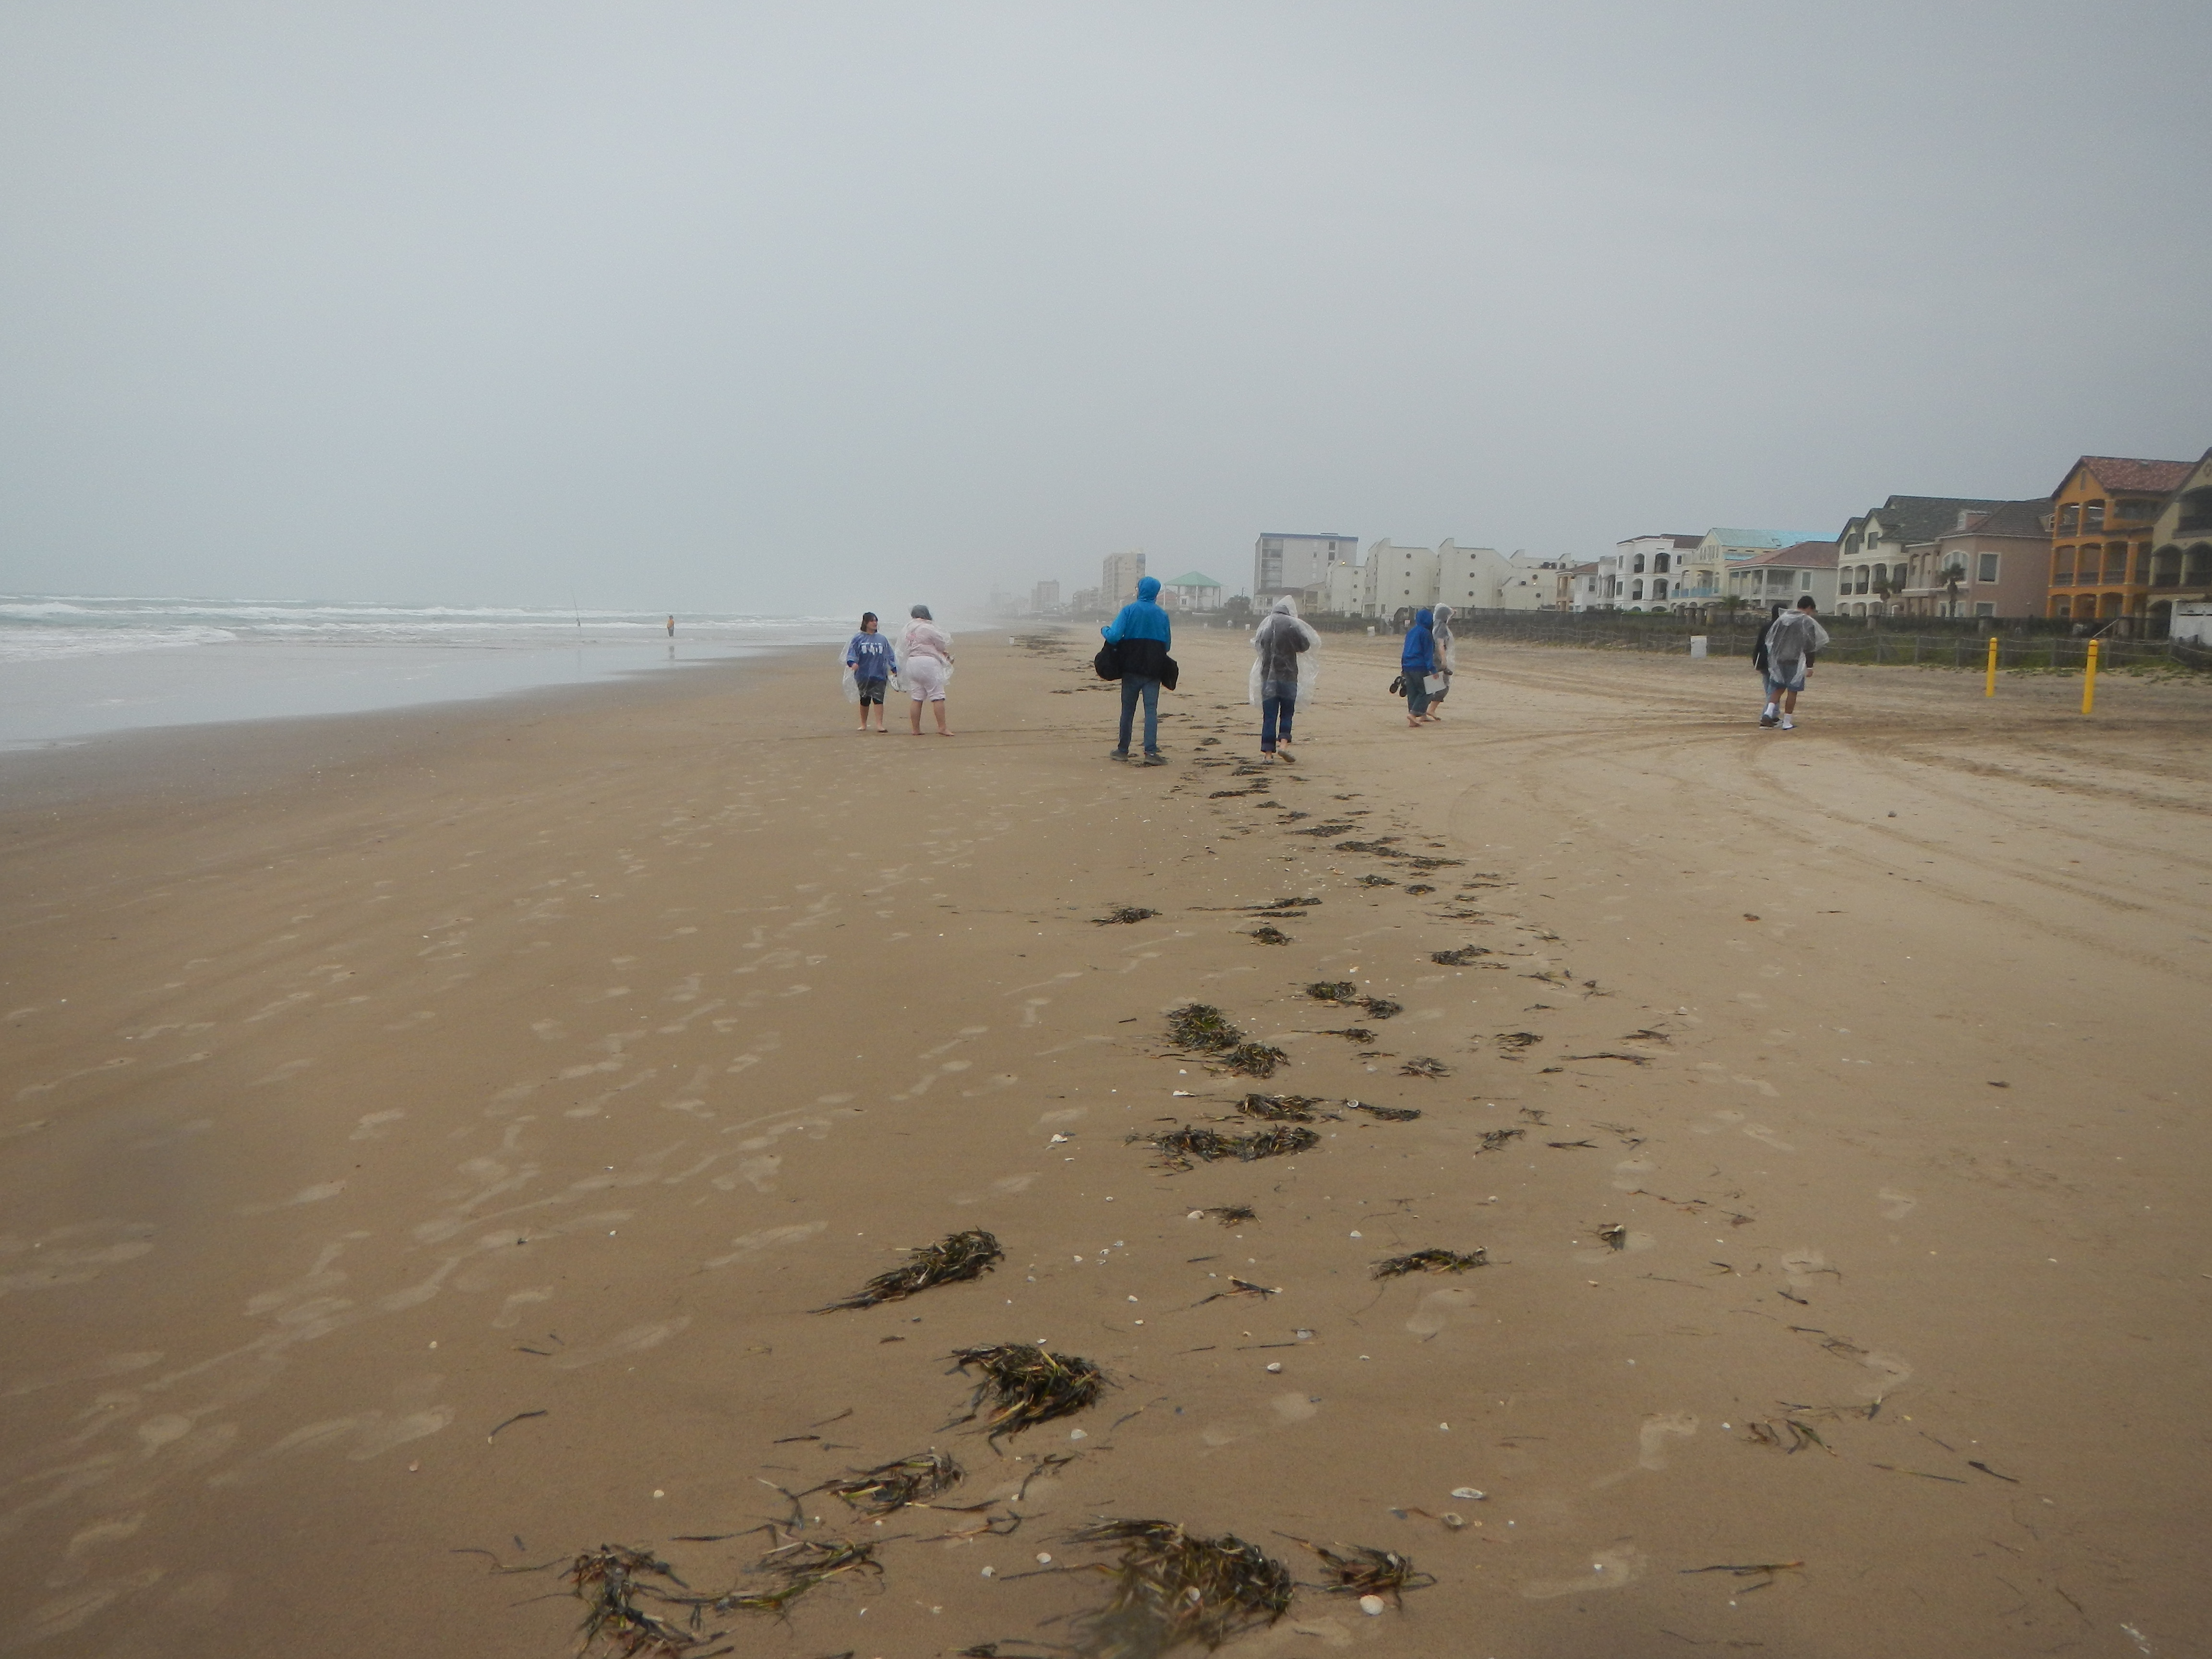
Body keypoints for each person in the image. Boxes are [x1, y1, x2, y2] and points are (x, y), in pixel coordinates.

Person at [1101, 576, 1173, 763]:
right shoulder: (1162, 615)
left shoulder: (1129, 610)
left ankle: (1123, 750)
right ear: (1156, 593)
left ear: (1140, 590)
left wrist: (1104, 630)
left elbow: (1115, 636)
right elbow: (1167, 646)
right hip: (1154, 670)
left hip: (1131, 669)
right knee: (1151, 711)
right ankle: (1150, 753)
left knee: (1128, 710)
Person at [1248, 596, 1317, 762]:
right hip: (1289, 677)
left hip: (1267, 679)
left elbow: (1259, 645)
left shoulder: (1266, 625)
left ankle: (1268, 755)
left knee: (1269, 716)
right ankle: (1284, 745)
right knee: (1287, 713)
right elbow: (1305, 646)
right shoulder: (1292, 625)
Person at [1754, 594, 1830, 730]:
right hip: (1795, 659)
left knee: (1778, 688)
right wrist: (1810, 666)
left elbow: (1772, 638)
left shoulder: (1784, 618)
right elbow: (1810, 646)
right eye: (1811, 610)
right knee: (1793, 691)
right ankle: (1787, 721)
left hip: (1779, 659)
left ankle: (1768, 713)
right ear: (1808, 608)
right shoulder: (1806, 622)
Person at [899, 604, 955, 735]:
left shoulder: (907, 629)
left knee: (917, 697)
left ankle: (916, 729)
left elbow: (903, 648)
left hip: (912, 663)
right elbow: (941, 644)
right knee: (937, 695)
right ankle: (942, 727)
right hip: (928, 662)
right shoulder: (928, 628)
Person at [845, 611, 896, 733]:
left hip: (880, 674)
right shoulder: (858, 638)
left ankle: (879, 725)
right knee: (865, 699)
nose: (875, 623)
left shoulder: (882, 639)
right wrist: (853, 663)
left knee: (879, 699)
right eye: (872, 621)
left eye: (876, 621)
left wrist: (894, 668)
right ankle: (864, 724)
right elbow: (852, 653)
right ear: (866, 623)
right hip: (863, 674)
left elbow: (890, 655)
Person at [1399, 607, 1439, 727]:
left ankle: (1415, 718)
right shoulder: (1426, 634)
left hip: (1407, 666)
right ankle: (1414, 714)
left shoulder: (1411, 631)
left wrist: (1403, 668)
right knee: (1427, 691)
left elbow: (1405, 650)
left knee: (1412, 692)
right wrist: (1433, 669)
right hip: (1420, 666)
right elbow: (1428, 653)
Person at [1426, 604, 1456, 716]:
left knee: (1432, 685)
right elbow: (1441, 644)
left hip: (1432, 658)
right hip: (1438, 659)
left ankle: (1424, 711)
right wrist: (1444, 661)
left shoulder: (1434, 625)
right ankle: (1431, 710)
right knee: (1444, 685)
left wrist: (1452, 611)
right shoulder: (1442, 627)